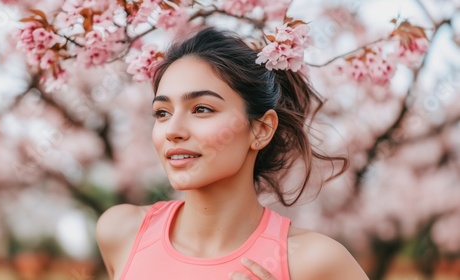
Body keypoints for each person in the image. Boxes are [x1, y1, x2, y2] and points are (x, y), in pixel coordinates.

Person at [96, 27, 369, 280]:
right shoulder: (121, 232)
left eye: (202, 109)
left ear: (261, 130)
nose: (172, 130)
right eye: (162, 113)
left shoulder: (315, 262)